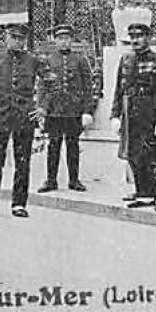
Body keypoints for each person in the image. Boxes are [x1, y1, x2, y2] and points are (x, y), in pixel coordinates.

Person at [0, 23, 52, 218]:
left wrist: (42, 107)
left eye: (21, 39)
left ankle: (19, 204)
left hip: (24, 118)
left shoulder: (33, 60)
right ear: (6, 38)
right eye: (14, 37)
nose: (17, 42)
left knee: (23, 162)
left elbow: (50, 82)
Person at [110, 21, 156, 212]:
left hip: (150, 115)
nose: (135, 40)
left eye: (139, 36)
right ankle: (143, 192)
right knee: (134, 155)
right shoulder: (126, 60)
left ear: (148, 38)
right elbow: (119, 90)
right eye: (133, 37)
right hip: (131, 115)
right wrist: (115, 114)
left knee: (154, 155)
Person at [37, 22, 97, 193]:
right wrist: (41, 108)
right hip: (54, 110)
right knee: (53, 145)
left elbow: (88, 87)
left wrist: (87, 110)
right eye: (60, 38)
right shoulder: (48, 60)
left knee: (73, 145)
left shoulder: (80, 59)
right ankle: (50, 180)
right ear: (55, 40)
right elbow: (43, 86)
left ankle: (74, 180)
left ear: (71, 40)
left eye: (67, 38)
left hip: (73, 111)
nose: (64, 42)